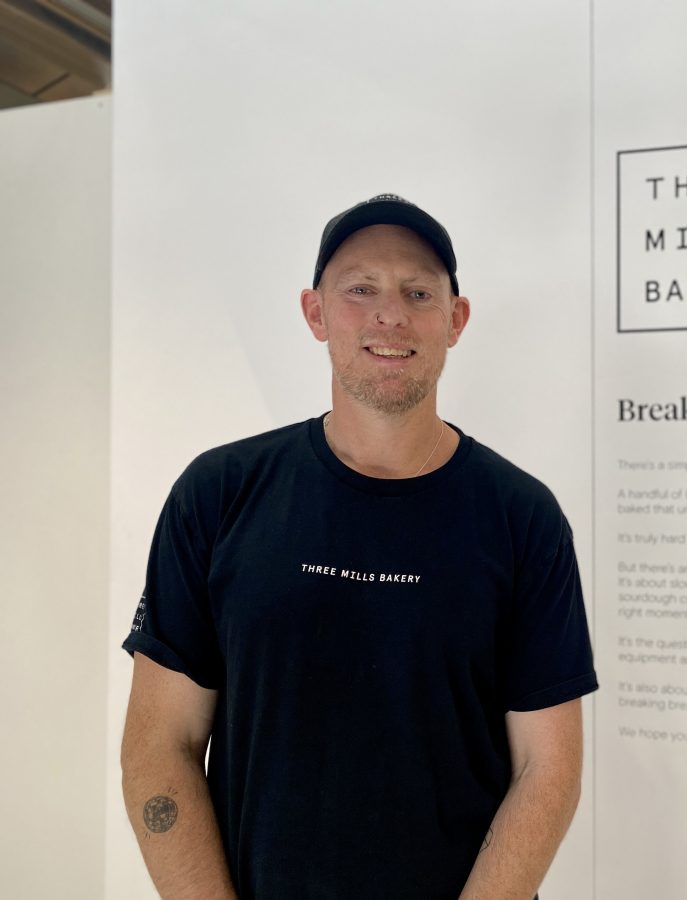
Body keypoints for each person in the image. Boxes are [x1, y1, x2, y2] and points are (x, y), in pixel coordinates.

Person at [119, 194, 598, 899]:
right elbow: (161, 747)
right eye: (361, 289)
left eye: (418, 292)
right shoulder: (220, 493)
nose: (390, 314)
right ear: (315, 312)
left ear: (455, 320)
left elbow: (546, 770)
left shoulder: (522, 516)